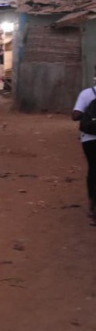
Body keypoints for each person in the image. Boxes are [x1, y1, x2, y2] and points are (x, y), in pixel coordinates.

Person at [72, 70, 96, 226]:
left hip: (90, 139)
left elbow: (75, 115)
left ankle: (93, 205)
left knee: (93, 169)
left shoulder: (87, 93)